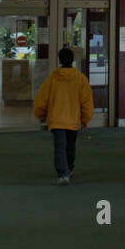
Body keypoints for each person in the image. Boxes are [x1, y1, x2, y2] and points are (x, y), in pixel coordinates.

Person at [33, 48, 94, 185]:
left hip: (56, 120)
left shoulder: (52, 79)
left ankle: (63, 173)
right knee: (70, 146)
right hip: (73, 120)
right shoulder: (81, 79)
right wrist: (85, 119)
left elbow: (41, 100)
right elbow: (87, 102)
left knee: (60, 147)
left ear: (59, 60)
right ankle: (69, 167)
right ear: (72, 60)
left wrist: (41, 115)